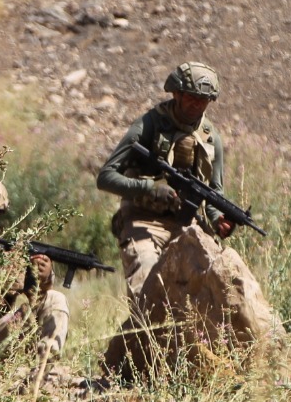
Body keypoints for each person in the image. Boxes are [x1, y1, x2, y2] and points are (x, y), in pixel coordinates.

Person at [96, 61, 238, 303]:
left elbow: (214, 193)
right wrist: (150, 188)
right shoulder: (149, 125)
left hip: (188, 225)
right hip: (142, 220)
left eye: (204, 100)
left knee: (221, 286)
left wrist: (218, 220)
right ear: (177, 93)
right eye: (192, 97)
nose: (198, 104)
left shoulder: (210, 137)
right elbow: (106, 177)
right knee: (148, 289)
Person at [0, 180, 70, 360]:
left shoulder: (2, 253)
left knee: (55, 299)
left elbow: (37, 300)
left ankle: (45, 368)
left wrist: (42, 277)